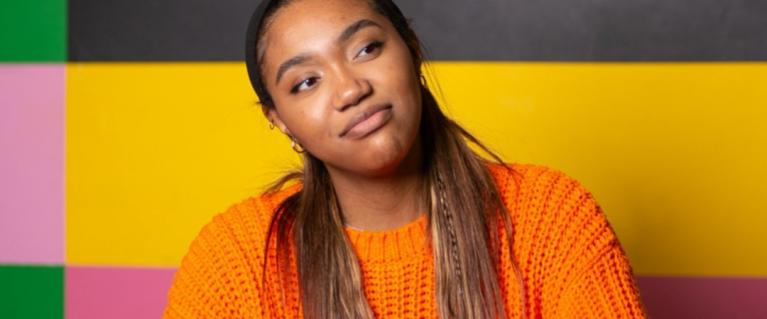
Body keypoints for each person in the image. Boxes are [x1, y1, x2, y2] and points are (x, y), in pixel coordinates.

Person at [163, 0, 646, 318]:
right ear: (280, 119)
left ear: (411, 50)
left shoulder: (550, 218)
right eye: (306, 81)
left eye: (366, 48)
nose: (351, 89)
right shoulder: (239, 261)